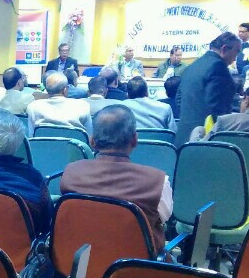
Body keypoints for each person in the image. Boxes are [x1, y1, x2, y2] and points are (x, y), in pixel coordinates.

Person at [61, 105, 173, 249]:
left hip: (79, 259)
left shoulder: (70, 173)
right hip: (135, 262)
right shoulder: (158, 182)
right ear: (135, 140)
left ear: (92, 141)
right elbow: (165, 218)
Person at [175, 31, 241, 147]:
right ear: (224, 49)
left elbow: (179, 99)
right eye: (236, 52)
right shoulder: (218, 67)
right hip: (204, 140)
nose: (235, 58)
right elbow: (218, 109)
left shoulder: (193, 65)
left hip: (183, 135)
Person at [26, 72, 92, 134]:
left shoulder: (33, 107)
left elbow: (31, 135)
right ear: (65, 90)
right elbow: (89, 135)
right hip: (75, 142)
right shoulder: (83, 106)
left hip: (42, 143)